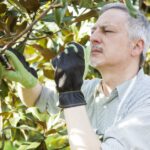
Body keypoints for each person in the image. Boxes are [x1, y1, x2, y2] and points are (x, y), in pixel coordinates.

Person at [1, 2, 150, 150]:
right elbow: (40, 98)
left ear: (136, 46)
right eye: (93, 31)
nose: (93, 38)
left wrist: (71, 94)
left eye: (108, 31)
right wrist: (27, 81)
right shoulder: (89, 89)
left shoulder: (146, 99)